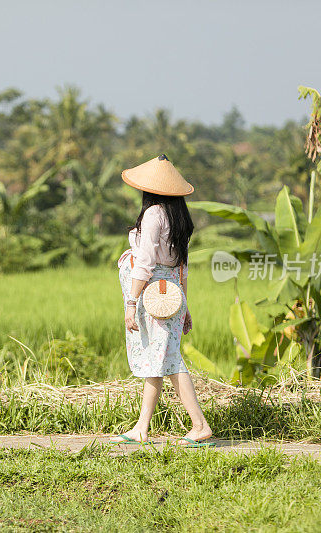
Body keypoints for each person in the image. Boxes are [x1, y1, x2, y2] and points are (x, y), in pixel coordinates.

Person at [110, 154, 214, 447]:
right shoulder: (180, 217)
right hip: (169, 296)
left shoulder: (154, 214)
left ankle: (200, 425)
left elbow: (144, 263)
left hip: (153, 297)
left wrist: (130, 303)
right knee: (158, 360)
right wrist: (185, 306)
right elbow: (181, 266)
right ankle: (142, 427)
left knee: (168, 360)